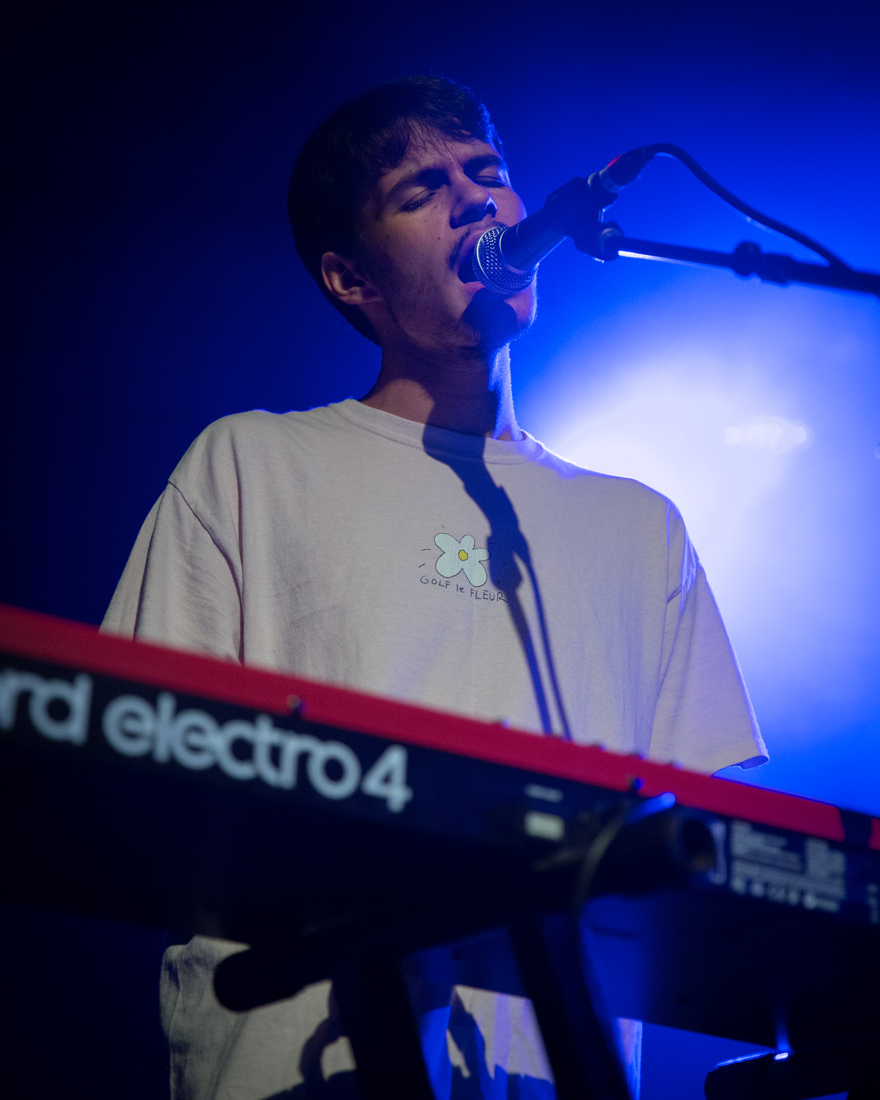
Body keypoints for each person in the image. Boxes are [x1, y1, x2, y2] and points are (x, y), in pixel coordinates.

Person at [103, 75, 767, 1100]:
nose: (475, 200)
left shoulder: (642, 527)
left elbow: (709, 868)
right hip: (299, 1069)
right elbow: (142, 770)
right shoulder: (248, 465)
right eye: (420, 190)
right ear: (350, 278)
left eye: (488, 171)